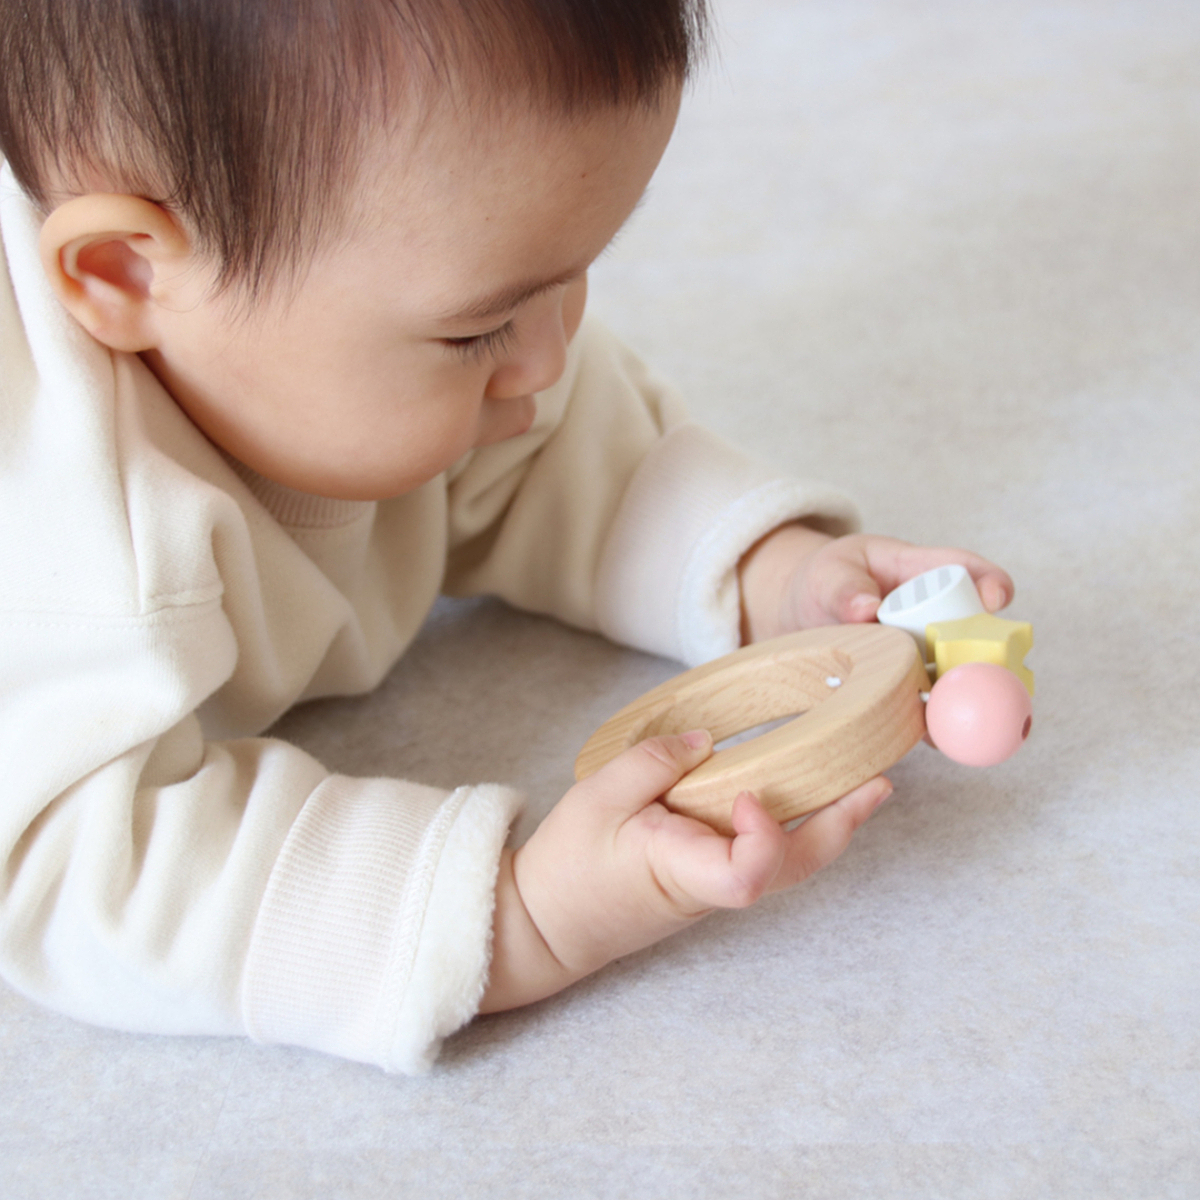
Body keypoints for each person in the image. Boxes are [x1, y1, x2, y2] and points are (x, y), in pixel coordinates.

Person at [0, 0, 1013, 1073]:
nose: (548, 358)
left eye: (576, 271)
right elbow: (80, 866)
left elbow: (558, 455)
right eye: (481, 327)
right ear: (126, 274)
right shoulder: (72, 552)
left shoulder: (352, 331)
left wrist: (776, 573)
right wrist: (516, 915)